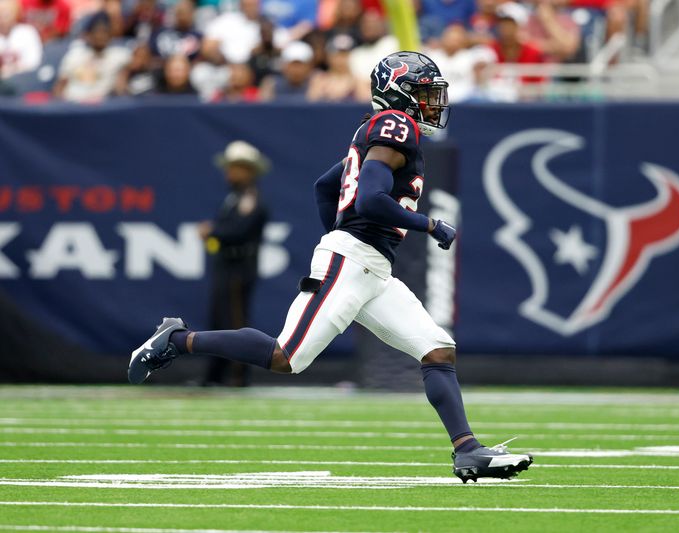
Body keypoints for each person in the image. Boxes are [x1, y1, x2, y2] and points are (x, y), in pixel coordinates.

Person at [128, 51, 533, 483]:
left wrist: (340, 234)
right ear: (399, 93)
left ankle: (466, 450)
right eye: (423, 92)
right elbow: (370, 200)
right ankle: (178, 338)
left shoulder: (380, 131)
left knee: (437, 348)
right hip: (354, 260)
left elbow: (326, 186)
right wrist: (427, 224)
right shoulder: (397, 125)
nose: (432, 102)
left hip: (371, 266)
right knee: (287, 356)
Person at [197, 141, 270, 387]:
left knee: (235, 322)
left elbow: (239, 230)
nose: (230, 173)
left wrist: (213, 232)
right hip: (226, 265)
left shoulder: (250, 199)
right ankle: (215, 375)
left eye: (235, 167)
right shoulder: (233, 198)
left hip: (239, 267)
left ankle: (238, 375)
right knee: (219, 321)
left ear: (248, 170)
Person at [52, 11, 131, 103]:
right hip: (72, 105)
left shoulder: (119, 55)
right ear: (88, 35)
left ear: (110, 35)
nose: (101, 36)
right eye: (97, 32)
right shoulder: (75, 54)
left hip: (101, 108)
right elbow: (61, 84)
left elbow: (124, 81)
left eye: (104, 32)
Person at [0, 0, 42, 80]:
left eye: (6, 12)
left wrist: (13, 70)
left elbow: (34, 63)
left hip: (24, 80)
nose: (2, 16)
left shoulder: (27, 32)